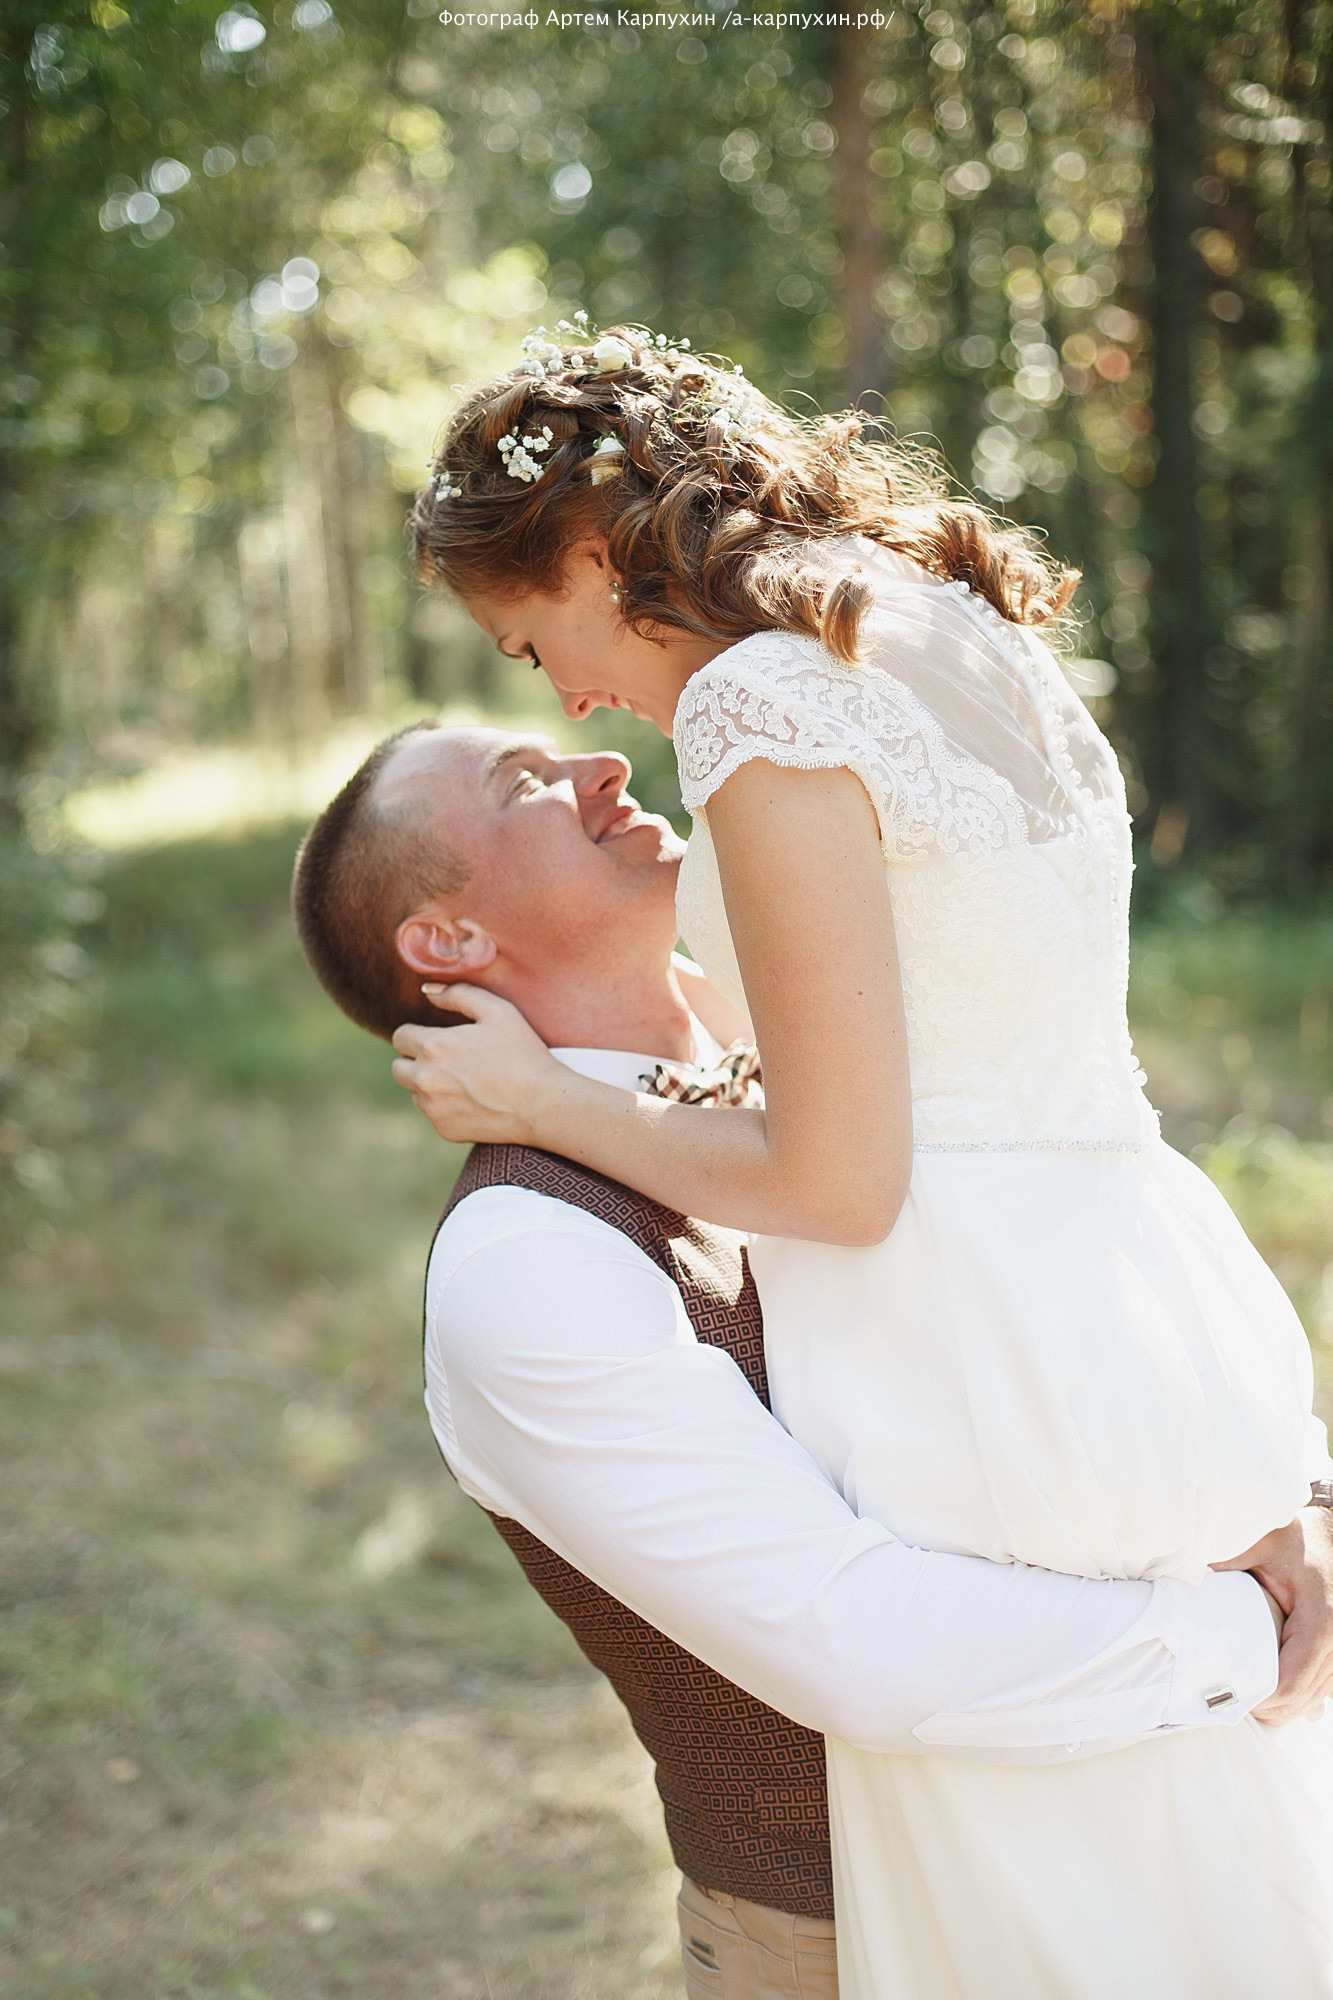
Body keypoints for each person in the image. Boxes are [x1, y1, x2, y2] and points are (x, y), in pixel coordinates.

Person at [389, 323, 1333, 1999]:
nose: (571, 695)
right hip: (1140, 1287)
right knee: (1189, 1859)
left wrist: (542, 1102)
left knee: (1037, 1892)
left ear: (594, 554)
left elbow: (838, 1184)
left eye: (533, 642)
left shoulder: (758, 696)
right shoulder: (949, 624)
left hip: (964, 1344)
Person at [293, 718, 1310, 2000]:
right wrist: (1252, 1633)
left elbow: (1103, 1289)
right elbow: (856, 1636)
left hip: (1171, 1817)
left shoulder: (819, 1064)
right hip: (856, 1938)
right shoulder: (529, 1257)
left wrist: (1300, 1506)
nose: (602, 766)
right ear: (446, 941)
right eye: (525, 784)